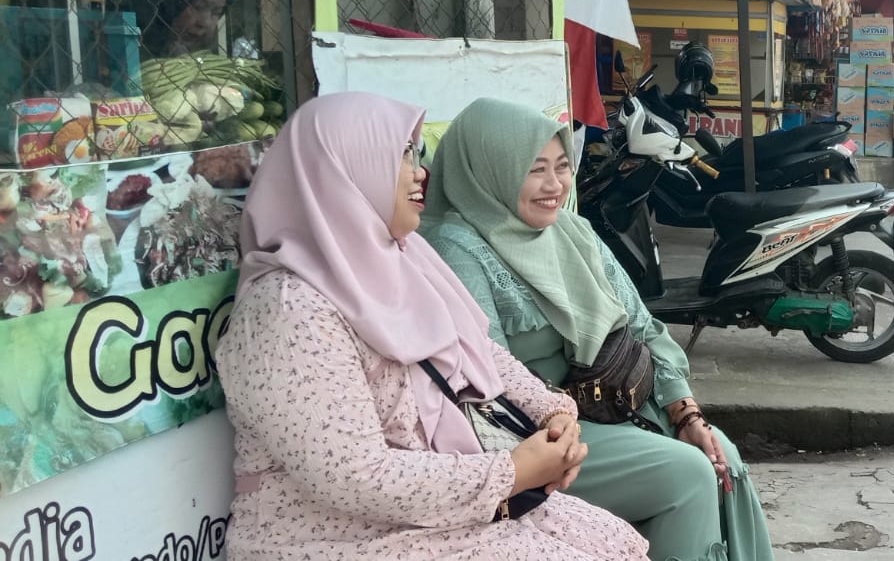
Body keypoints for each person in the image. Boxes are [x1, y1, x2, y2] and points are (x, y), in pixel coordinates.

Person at [215, 91, 649, 561]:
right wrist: (512, 472)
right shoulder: (287, 308)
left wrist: (553, 414)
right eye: (401, 155)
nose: (420, 171)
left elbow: (474, 349)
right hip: (340, 538)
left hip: (440, 511)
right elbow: (354, 474)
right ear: (343, 171)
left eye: (416, 153)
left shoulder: (404, 257)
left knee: (616, 541)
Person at [420, 97, 774, 561]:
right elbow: (487, 380)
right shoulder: (457, 248)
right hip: (541, 433)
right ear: (490, 170)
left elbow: (642, 325)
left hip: (621, 403)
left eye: (562, 167)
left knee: (721, 455)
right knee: (687, 473)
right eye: (535, 170)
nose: (554, 185)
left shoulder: (571, 232)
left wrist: (685, 412)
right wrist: (554, 421)